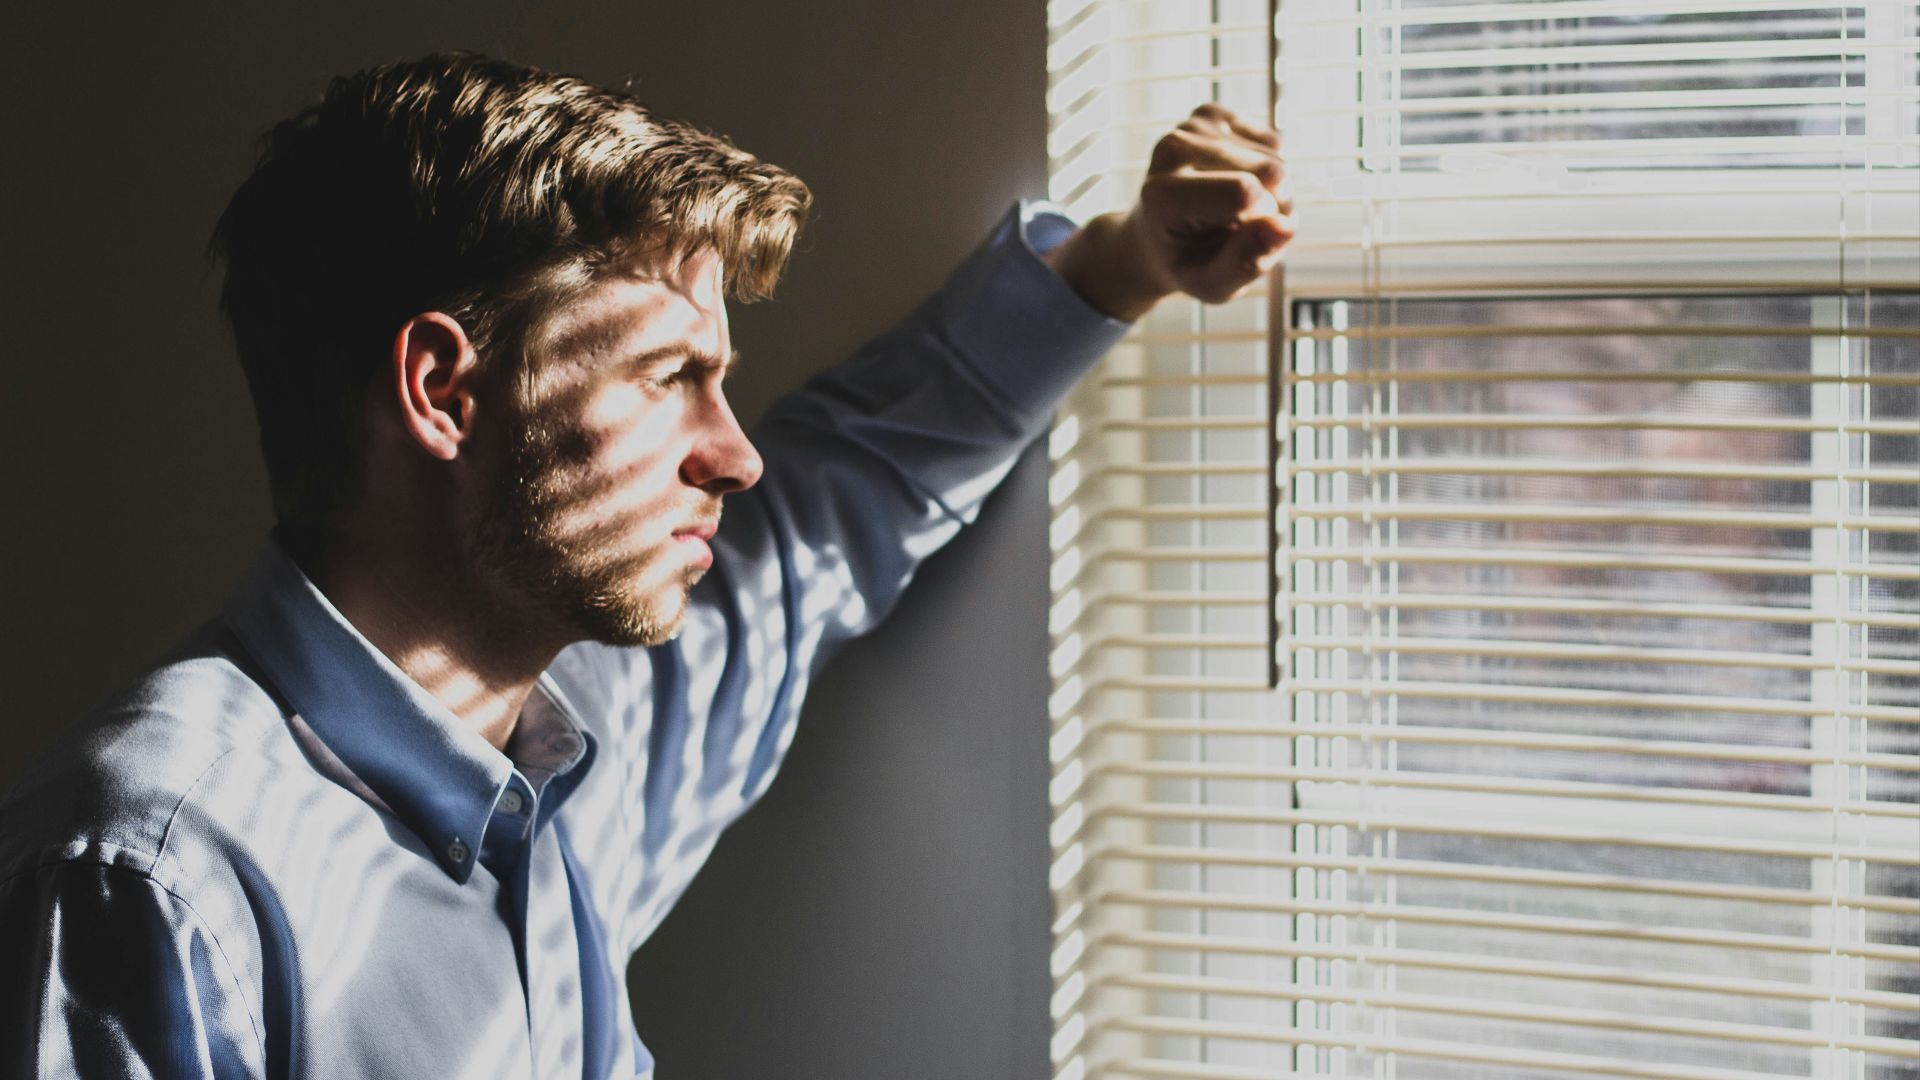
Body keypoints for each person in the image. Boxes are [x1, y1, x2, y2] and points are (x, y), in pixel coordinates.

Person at [0, 52, 1291, 1078]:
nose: (734, 456)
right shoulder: (152, 873)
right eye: (674, 379)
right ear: (445, 391)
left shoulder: (581, 746)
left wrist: (1120, 264)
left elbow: (841, 503)